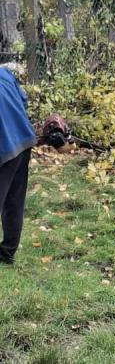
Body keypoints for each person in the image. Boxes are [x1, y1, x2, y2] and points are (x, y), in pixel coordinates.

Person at [0, 66, 37, 265]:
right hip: (24, 140)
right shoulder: (4, 73)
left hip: (5, 147)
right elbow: (24, 101)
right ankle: (7, 253)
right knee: (14, 200)